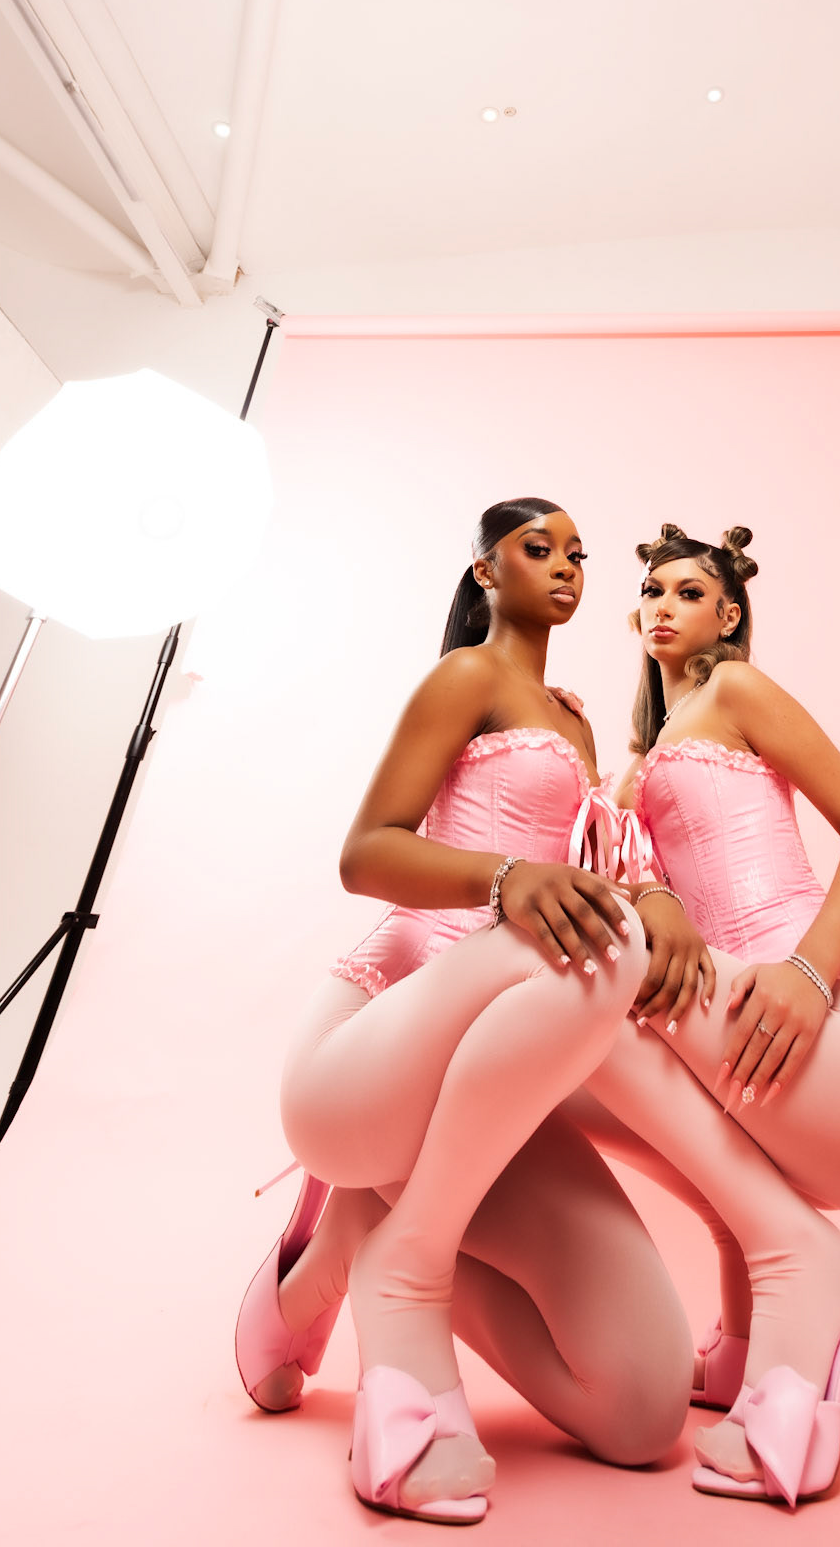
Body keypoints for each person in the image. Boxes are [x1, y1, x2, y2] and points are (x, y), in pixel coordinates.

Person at [234, 498, 690, 1523]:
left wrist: (657, 900)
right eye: (539, 548)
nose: (566, 566)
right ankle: (399, 1272)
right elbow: (366, 853)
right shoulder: (465, 678)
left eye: (577, 554)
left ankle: (348, 1236)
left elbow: (604, 873)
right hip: (379, 1047)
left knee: (645, 1409)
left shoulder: (574, 718)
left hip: (497, 1079)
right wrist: (504, 878)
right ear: (487, 570)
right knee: (599, 938)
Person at [560, 521, 840, 1506]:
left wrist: (810, 971)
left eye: (688, 592)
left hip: (831, 1025)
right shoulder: (636, 760)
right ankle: (742, 1336)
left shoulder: (735, 691)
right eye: (652, 591)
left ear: (728, 615)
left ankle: (804, 1277)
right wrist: (572, 764)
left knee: (592, 997)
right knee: (559, 1037)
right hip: (742, 1031)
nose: (663, 605)